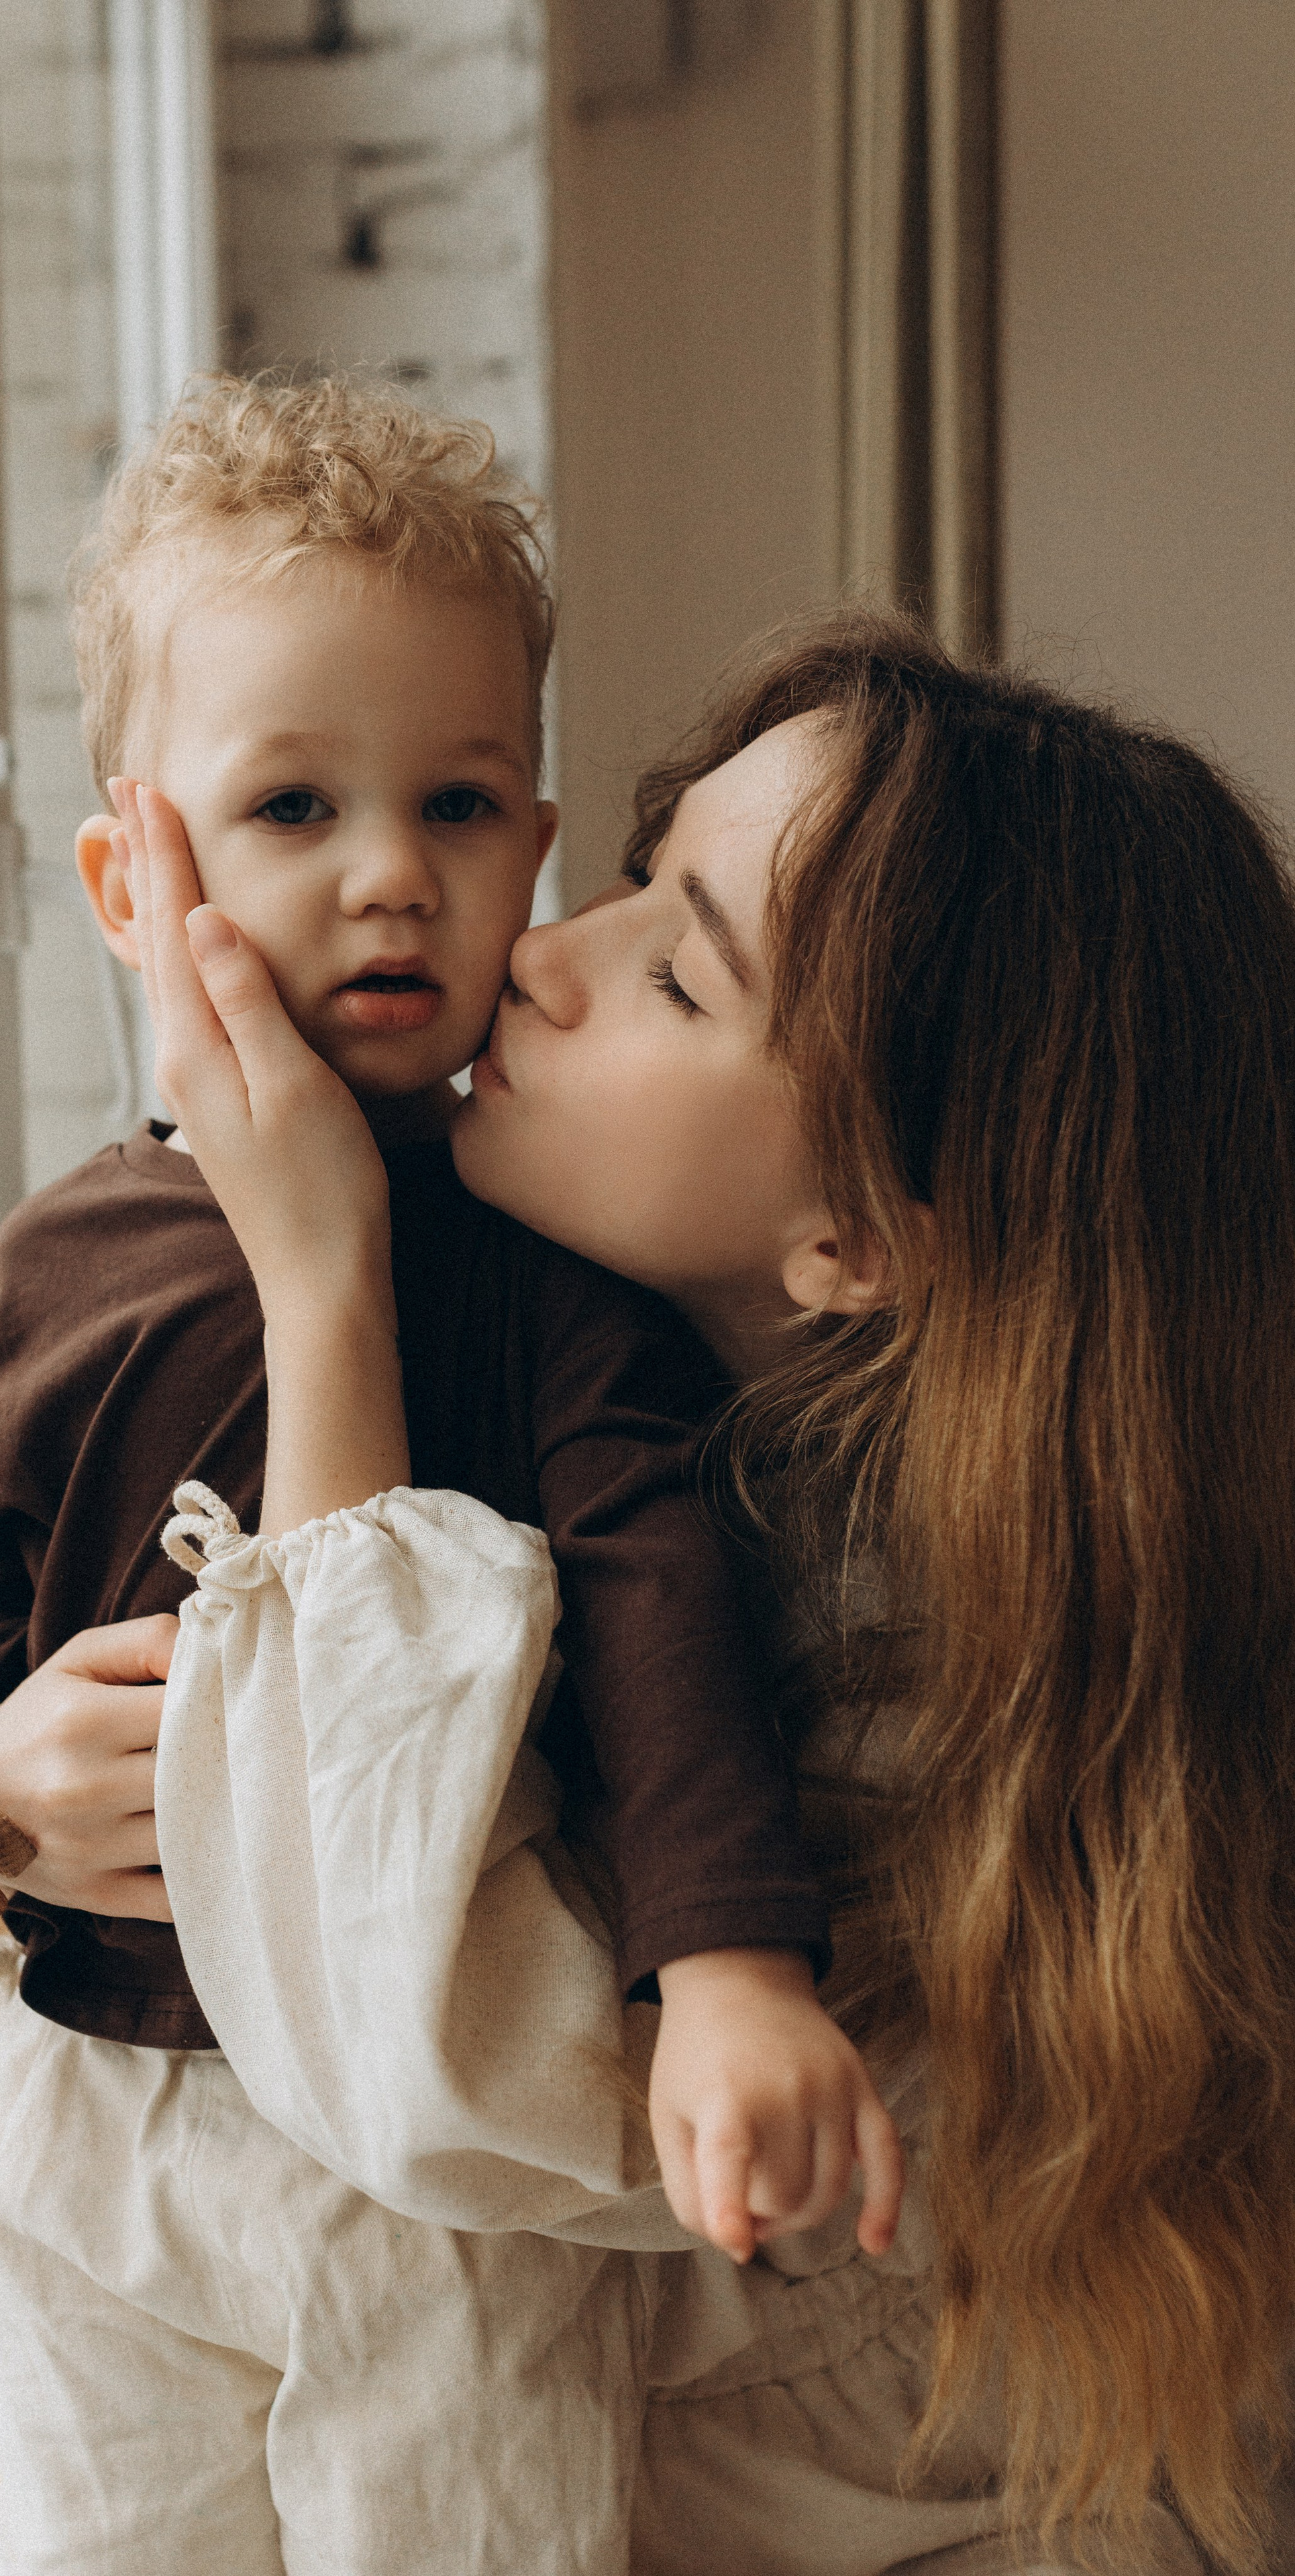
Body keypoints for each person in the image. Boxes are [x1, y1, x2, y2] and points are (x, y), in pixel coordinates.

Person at [0, 377, 900, 2576]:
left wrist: (738, 1974)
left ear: (538, 836)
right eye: (294, 805)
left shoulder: (545, 1279)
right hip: (92, 2110)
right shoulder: (63, 1259)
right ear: (135, 874)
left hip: (419, 2158)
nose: (394, 875)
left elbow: (671, 1611)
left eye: (465, 804)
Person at [126, 608, 1295, 2575]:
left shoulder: (917, 1691)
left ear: (859, 1239)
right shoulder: (598, 1401)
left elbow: (415, 2069)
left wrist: (318, 1283)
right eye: (632, 878)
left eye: (678, 967)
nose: (546, 958)